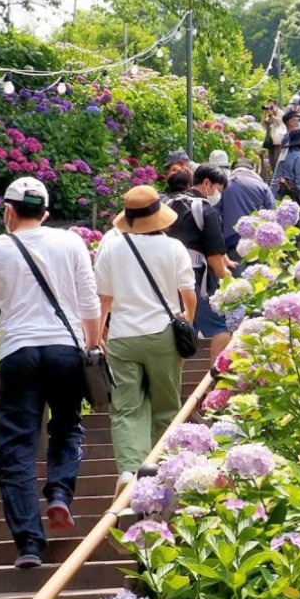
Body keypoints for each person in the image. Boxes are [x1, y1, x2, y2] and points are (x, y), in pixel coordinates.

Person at [0, 177, 101, 569]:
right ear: (45, 213)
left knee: (17, 447)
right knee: (67, 425)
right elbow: (88, 302)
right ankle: (59, 493)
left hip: (17, 354)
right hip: (65, 350)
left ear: (8, 211)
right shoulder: (71, 242)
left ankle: (28, 543)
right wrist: (91, 348)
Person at [94, 185, 196, 494]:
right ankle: (162, 473)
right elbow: (188, 295)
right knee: (166, 407)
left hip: (123, 337)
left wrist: (99, 336)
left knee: (126, 409)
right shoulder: (174, 248)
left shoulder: (110, 248)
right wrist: (186, 321)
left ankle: (127, 471)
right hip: (162, 334)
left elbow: (104, 300)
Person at [165, 164, 236, 367]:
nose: (217, 195)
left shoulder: (167, 205)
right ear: (207, 183)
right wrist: (230, 283)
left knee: (181, 331)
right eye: (218, 189)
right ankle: (216, 380)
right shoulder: (205, 210)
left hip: (166, 279)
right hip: (198, 281)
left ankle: (177, 384)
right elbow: (215, 259)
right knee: (222, 327)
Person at [220, 157, 274, 272]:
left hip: (232, 241)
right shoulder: (263, 186)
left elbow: (216, 214)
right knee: (260, 281)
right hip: (258, 242)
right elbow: (273, 213)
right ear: (253, 169)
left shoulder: (223, 186)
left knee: (238, 284)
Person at [260, 99, 286, 174]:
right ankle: (275, 179)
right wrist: (265, 113)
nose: (270, 108)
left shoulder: (280, 113)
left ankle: (280, 179)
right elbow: (263, 124)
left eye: (271, 106)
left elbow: (279, 122)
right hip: (270, 142)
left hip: (278, 142)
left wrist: (271, 114)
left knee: (278, 161)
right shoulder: (269, 115)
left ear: (276, 105)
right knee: (272, 163)